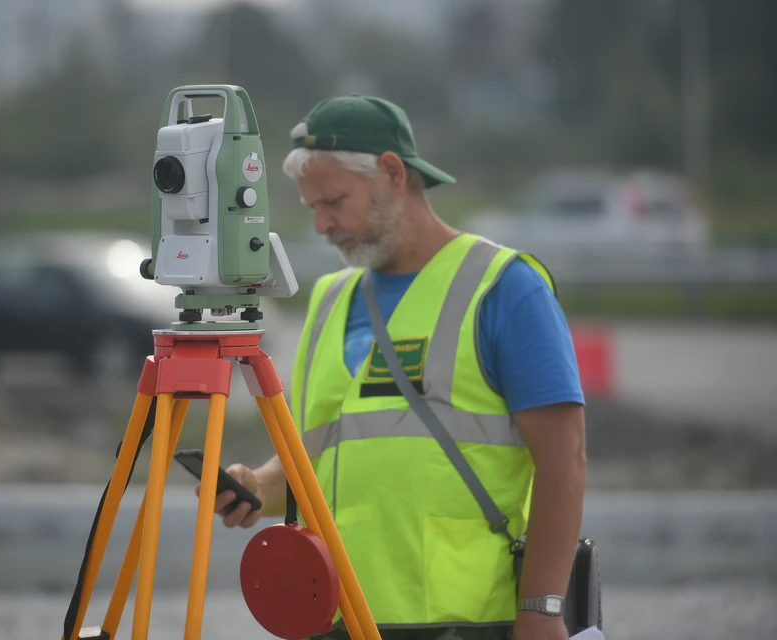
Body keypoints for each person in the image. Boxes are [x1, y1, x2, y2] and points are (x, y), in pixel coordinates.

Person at [198, 95, 587, 640]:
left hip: (465, 623)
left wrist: (542, 609)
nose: (321, 225)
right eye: (311, 207)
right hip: (333, 620)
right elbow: (324, 457)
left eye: (333, 201)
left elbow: (564, 459)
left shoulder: (504, 287)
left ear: (392, 172)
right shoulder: (330, 299)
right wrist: (260, 487)